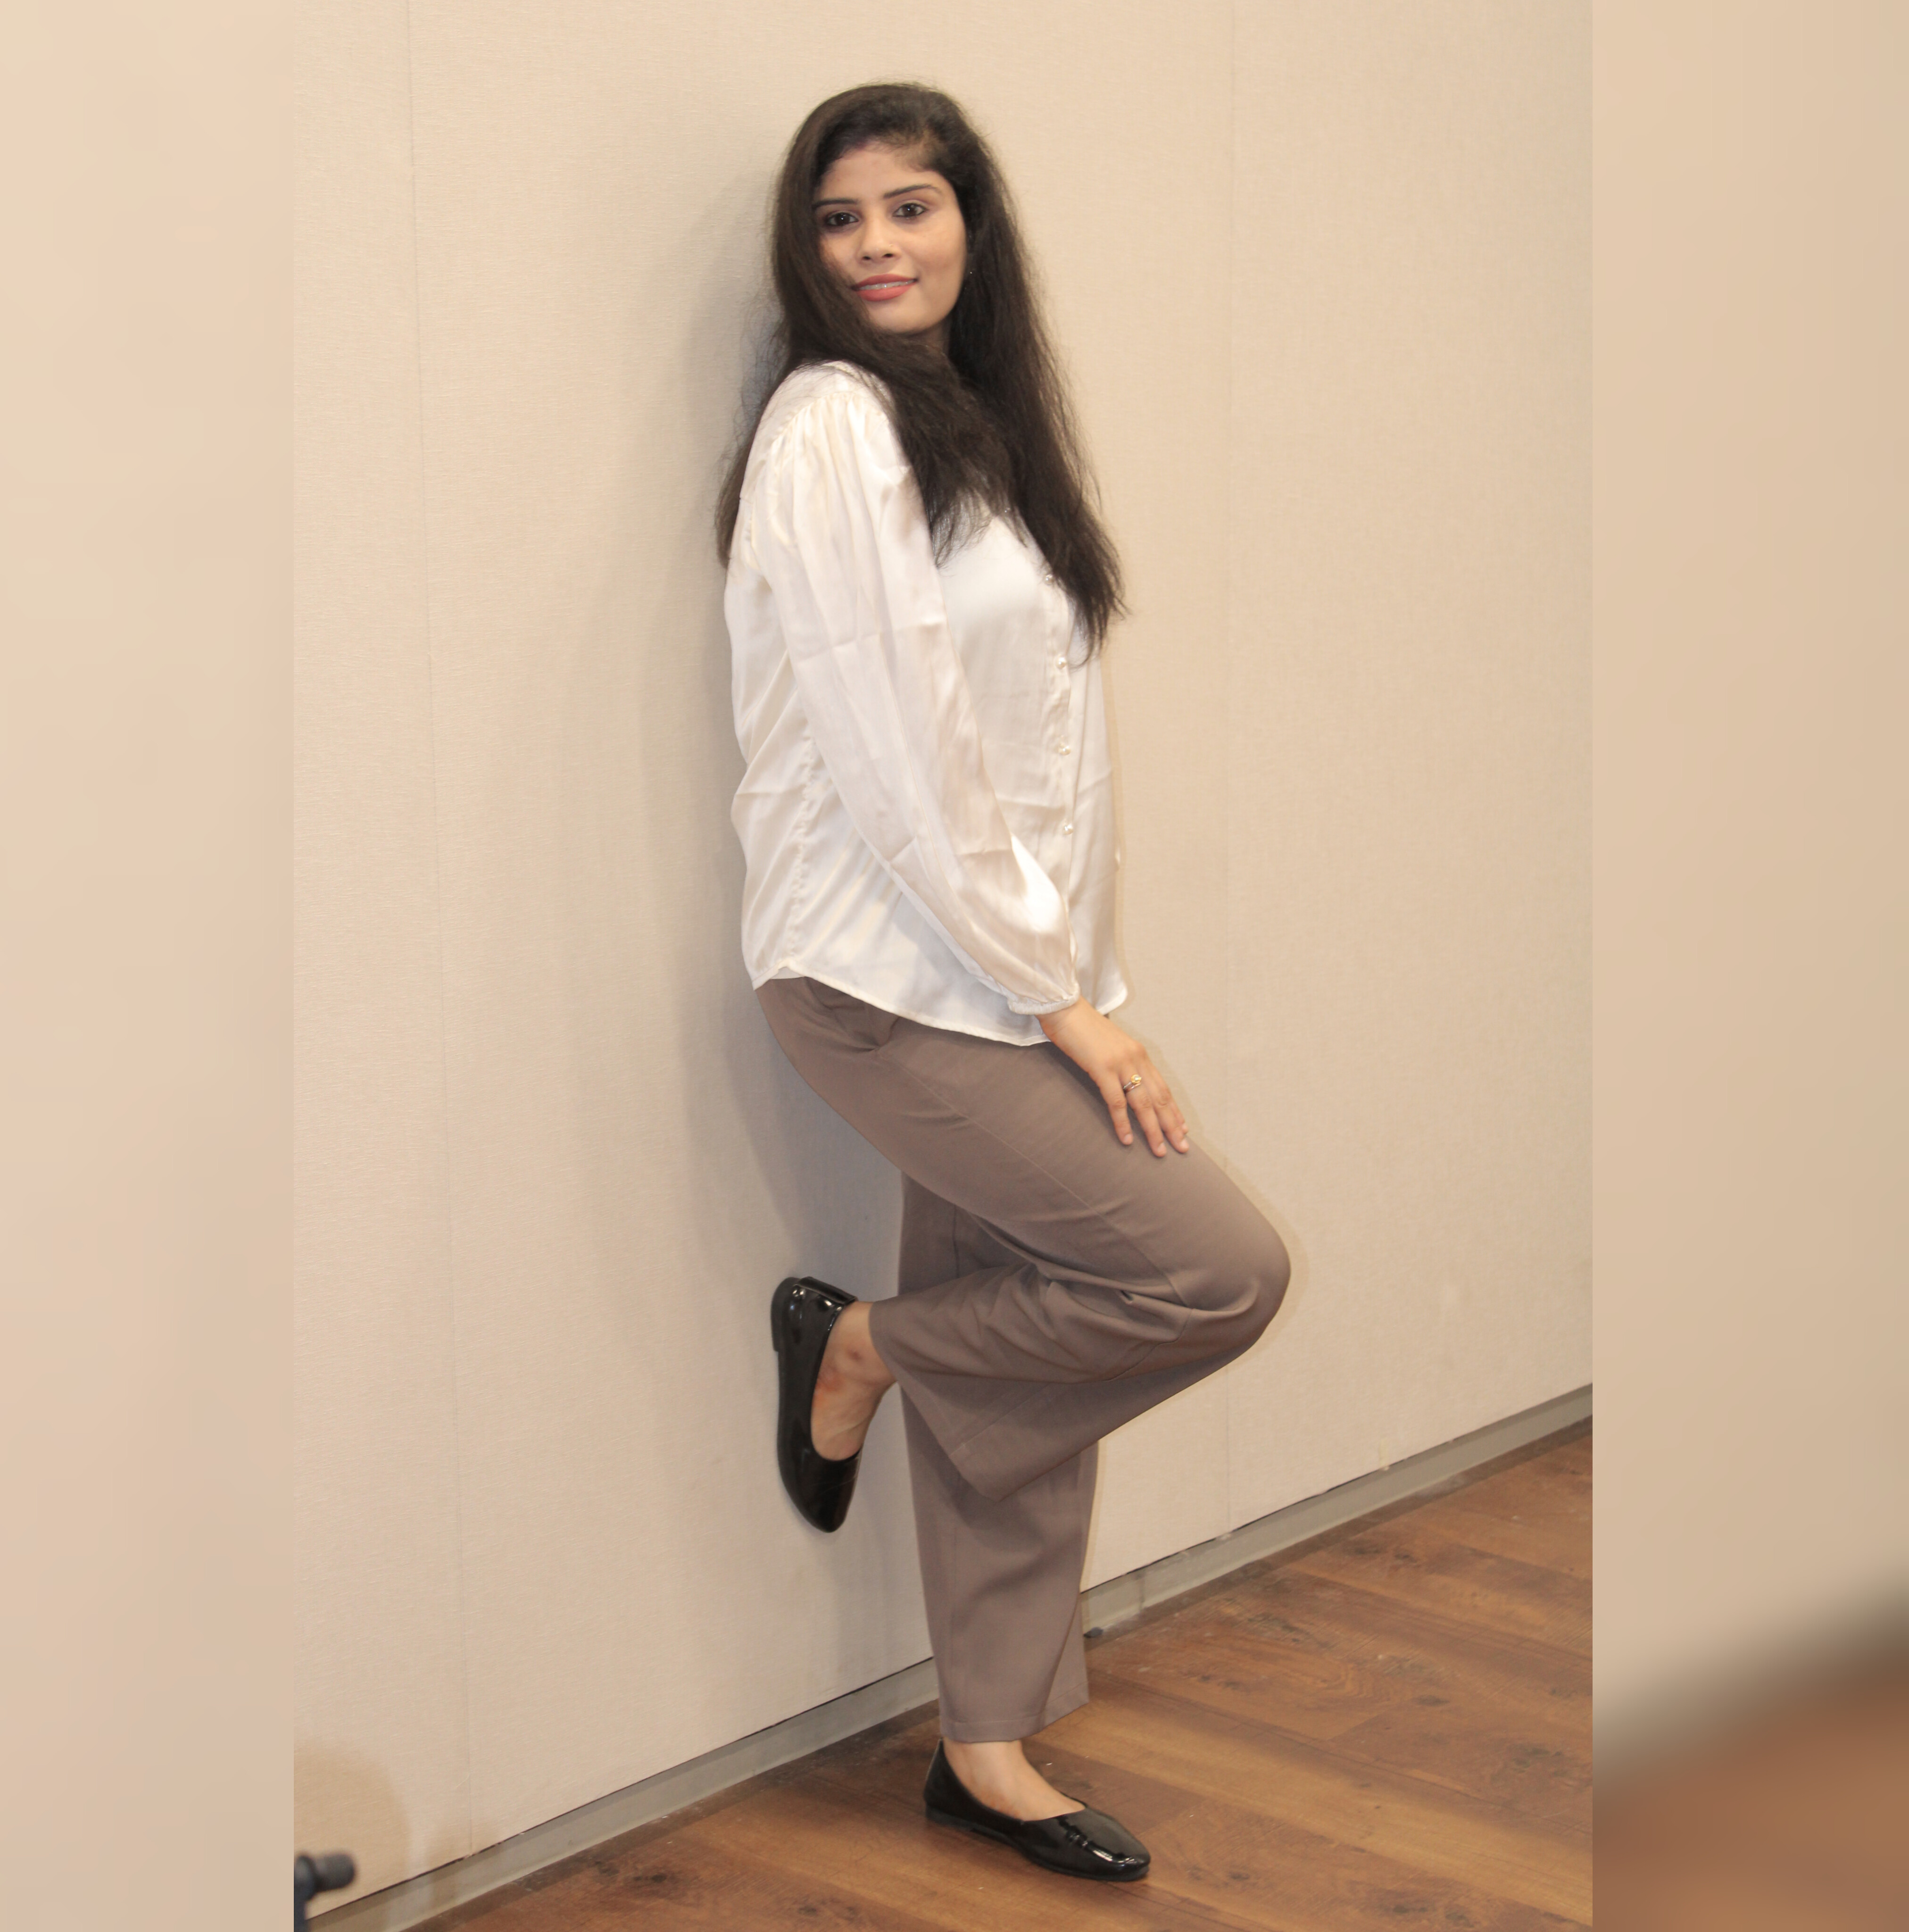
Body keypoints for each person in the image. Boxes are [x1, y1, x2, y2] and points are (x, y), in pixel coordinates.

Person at [718, 82, 1291, 1884]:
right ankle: (862, 1345)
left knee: (1030, 1327)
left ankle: (984, 1749)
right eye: (841, 218)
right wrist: (1070, 1008)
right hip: (879, 976)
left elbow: (1046, 761)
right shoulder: (829, 424)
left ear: (973, 222)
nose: (878, 245)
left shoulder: (981, 428)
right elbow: (901, 755)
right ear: (806, 249)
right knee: (1212, 1270)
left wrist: (1075, 974)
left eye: (913, 205)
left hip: (990, 971)